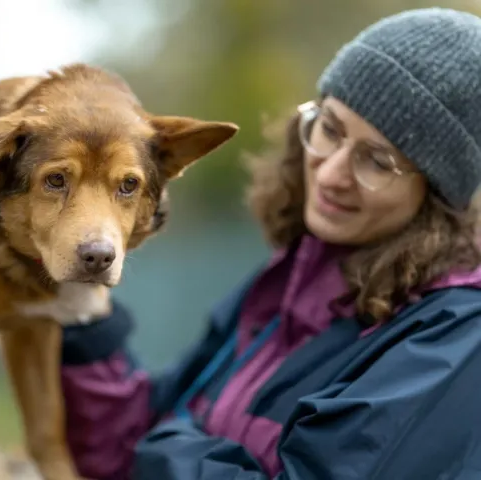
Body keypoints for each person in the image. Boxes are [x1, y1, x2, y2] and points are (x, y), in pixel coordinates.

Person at [59, 7, 481, 479]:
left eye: (377, 162)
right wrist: (87, 323)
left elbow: (146, 448)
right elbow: (122, 450)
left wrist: (163, 449)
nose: (332, 172)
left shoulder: (453, 340)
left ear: (436, 196)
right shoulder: (292, 277)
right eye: (331, 129)